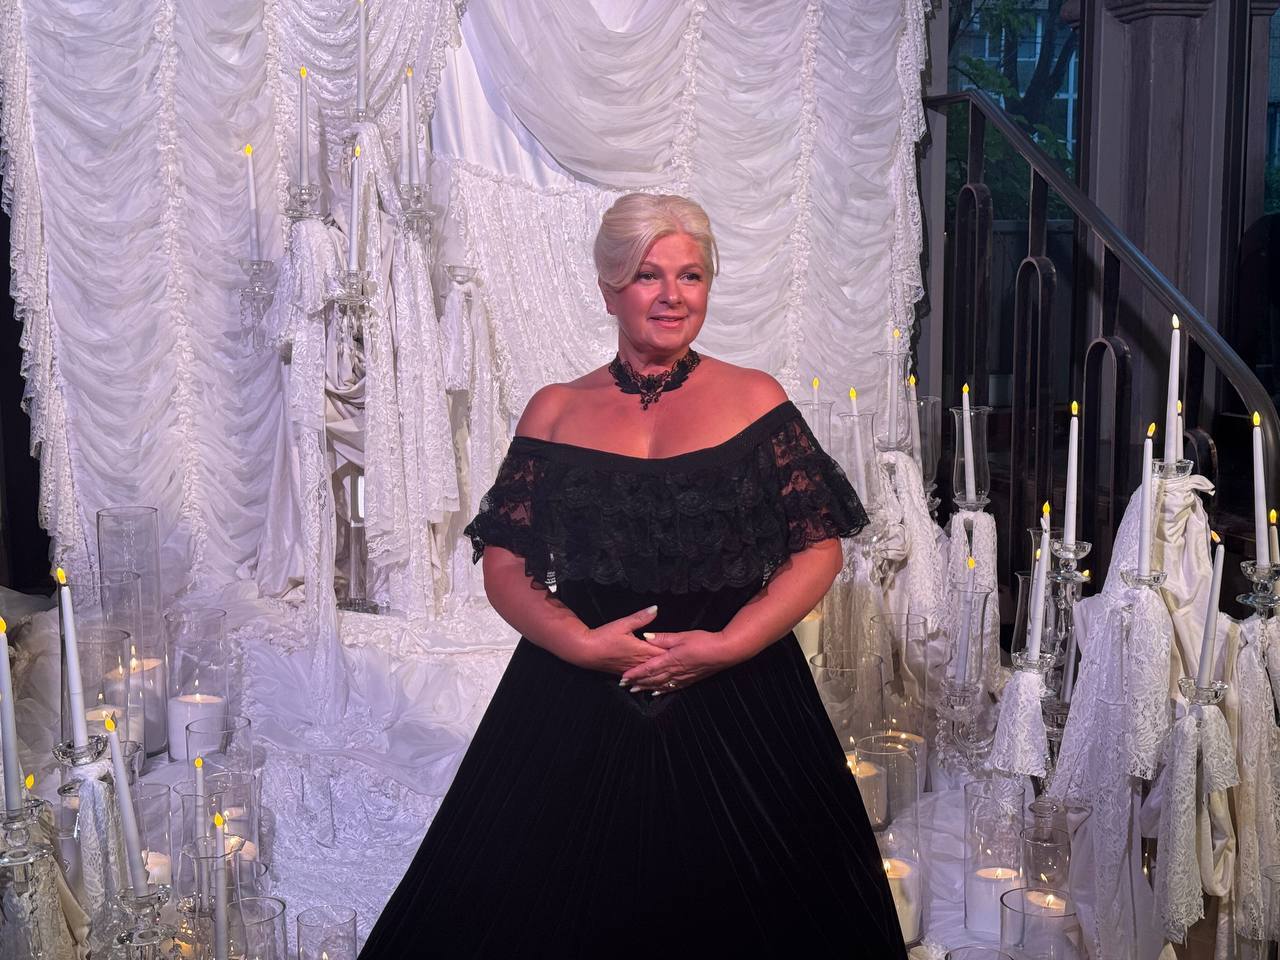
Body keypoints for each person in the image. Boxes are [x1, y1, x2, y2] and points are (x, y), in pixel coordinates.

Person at [359, 194, 907, 957]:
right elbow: (505, 565)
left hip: (742, 689)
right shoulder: (554, 411)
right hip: (574, 691)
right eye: (650, 275)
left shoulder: (757, 400)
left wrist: (727, 645)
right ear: (609, 288)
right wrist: (583, 645)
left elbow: (818, 551)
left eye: (691, 276)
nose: (673, 295)